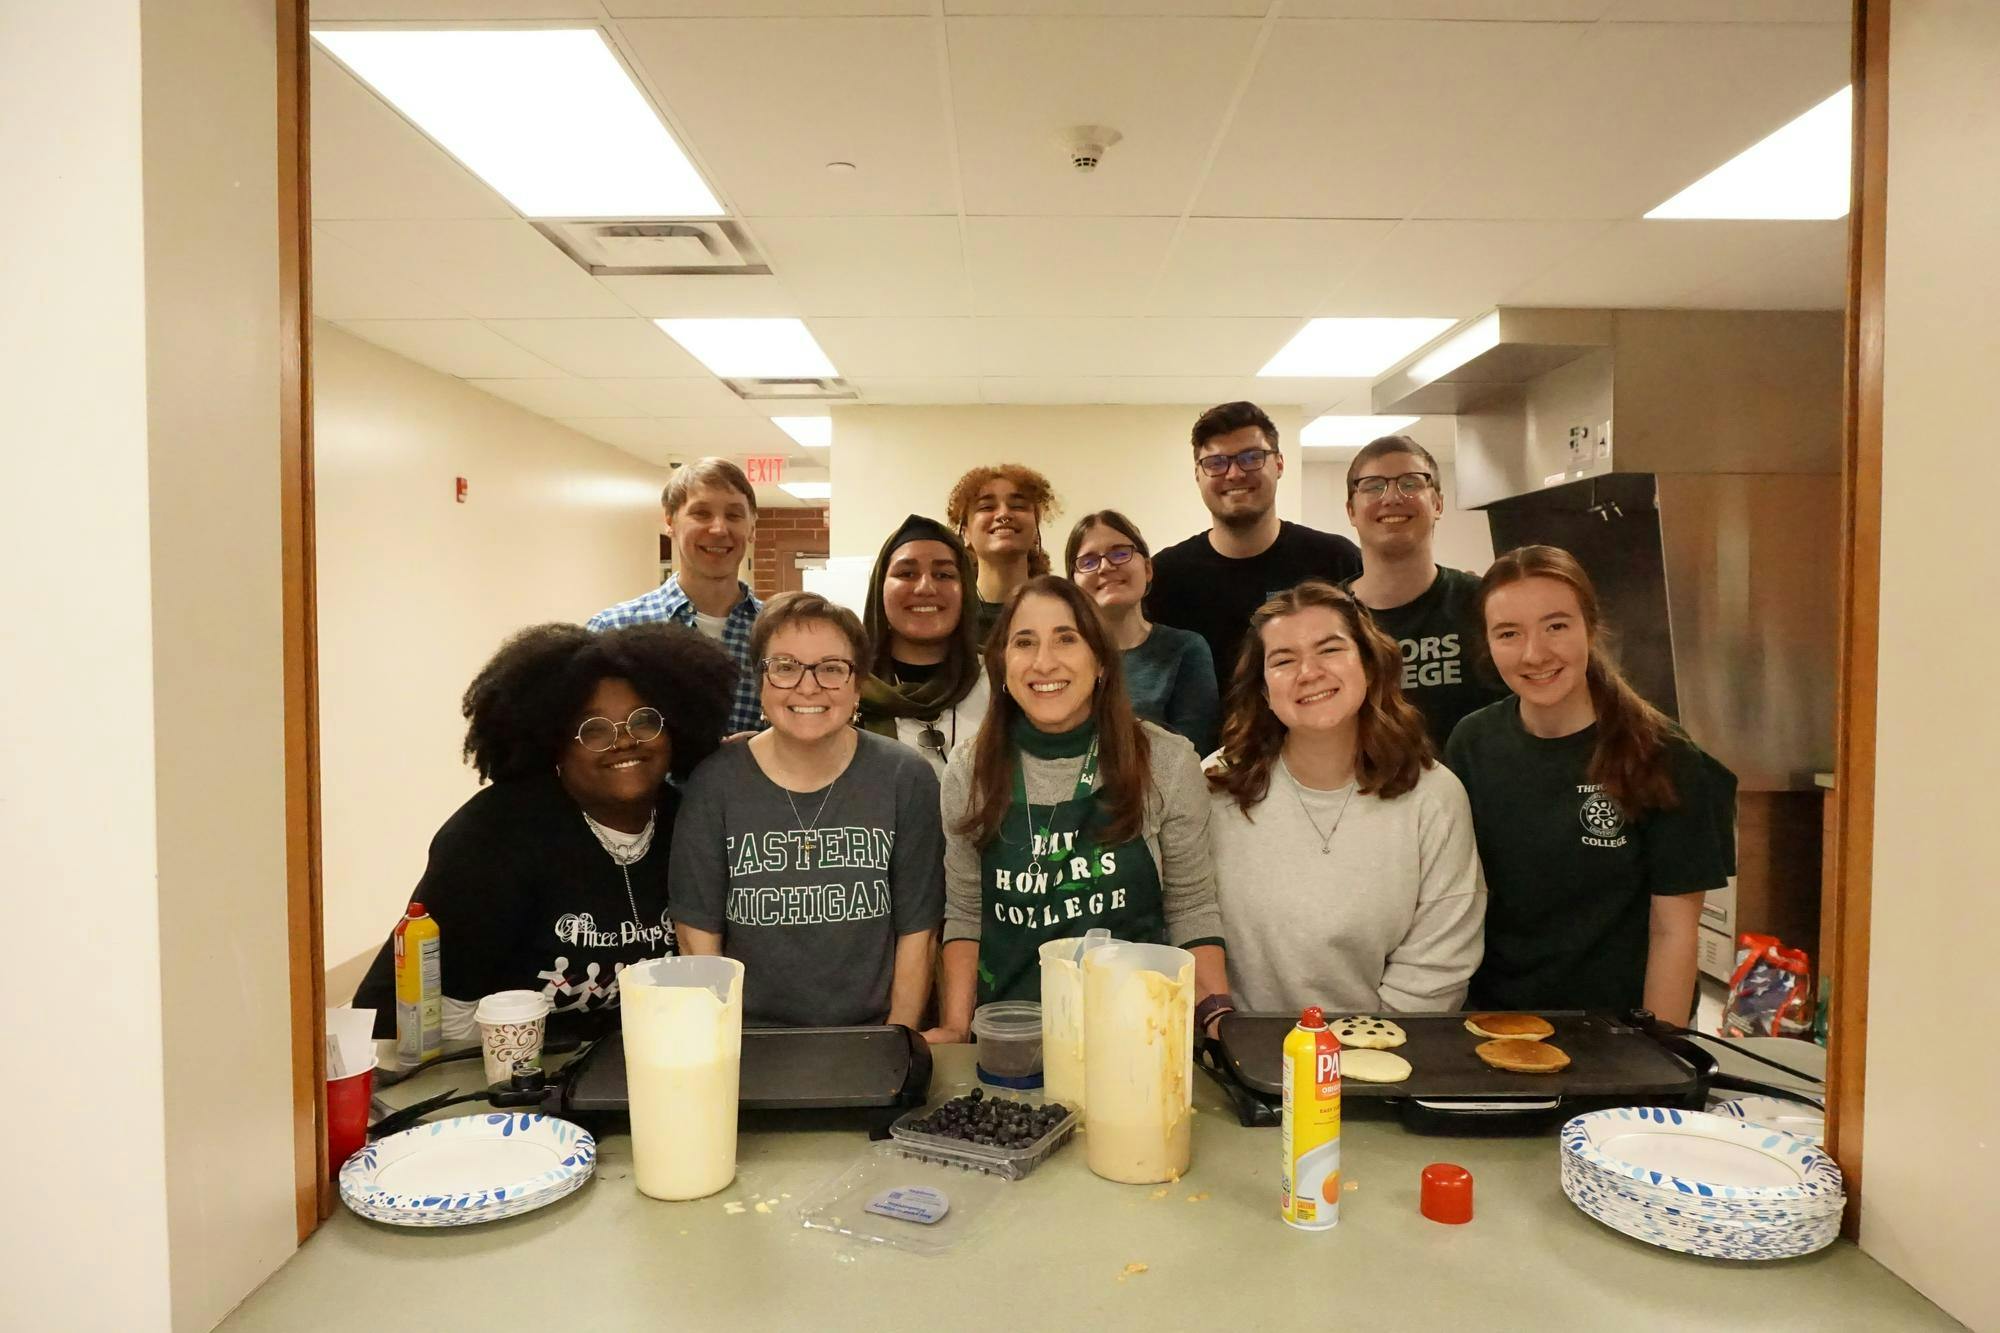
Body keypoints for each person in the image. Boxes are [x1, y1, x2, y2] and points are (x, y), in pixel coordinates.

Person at [353, 623, 734, 1038]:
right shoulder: (494, 835)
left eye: (643, 721)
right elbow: (439, 1008)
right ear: (555, 745)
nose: (624, 741)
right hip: (478, 1055)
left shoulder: (691, 821)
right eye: (594, 730)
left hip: (619, 1059)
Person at [1445, 545, 1737, 1026]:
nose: (1534, 653)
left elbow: (1673, 932)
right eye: (1509, 633)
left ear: (1591, 627)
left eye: (1556, 626)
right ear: (1488, 643)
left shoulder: (1663, 755)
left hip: (1618, 1031)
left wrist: (1656, 1049)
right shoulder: (1471, 743)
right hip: (1495, 1022)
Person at [935, 575, 1232, 1042]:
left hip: (1137, 1037)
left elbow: (1191, 907)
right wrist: (956, 1028)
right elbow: (966, 913)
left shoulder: (1166, 761)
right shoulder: (968, 769)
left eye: (1066, 639)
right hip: (1011, 1037)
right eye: (1024, 642)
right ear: (1002, 666)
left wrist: (1216, 1019)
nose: (1044, 662)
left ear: (1101, 662)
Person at [1206, 581, 1485, 1016]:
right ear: (1263, 690)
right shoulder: (1216, 783)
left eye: (1330, 649)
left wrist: (1364, 1051)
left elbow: (1438, 966)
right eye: (1283, 660)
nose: (1309, 672)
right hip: (1237, 1047)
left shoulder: (1433, 795)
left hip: (1384, 1049)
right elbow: (1186, 924)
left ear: (1369, 664)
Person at [669, 592, 945, 1030]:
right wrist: (723, 1042)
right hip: (749, 1040)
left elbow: (919, 932)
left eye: (831, 668)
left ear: (858, 684)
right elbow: (697, 935)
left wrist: (897, 1042)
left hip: (871, 1035)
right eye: (785, 667)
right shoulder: (715, 783)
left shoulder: (904, 777)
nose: (808, 686)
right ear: (760, 681)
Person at [1146, 401, 1361, 695]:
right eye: (1216, 462)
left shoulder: (1336, 559)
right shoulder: (1165, 577)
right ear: (1198, 474)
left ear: (1279, 464)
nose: (1234, 473)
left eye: (1251, 458)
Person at [1340, 434, 1506, 754]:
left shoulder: (1485, 605)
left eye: (1411, 483)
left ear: (1438, 503)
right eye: (1373, 486)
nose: (1392, 497)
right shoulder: (1327, 619)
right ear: (1351, 511)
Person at [588, 457, 764, 737]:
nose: (719, 529)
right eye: (701, 513)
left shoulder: (777, 634)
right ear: (670, 522)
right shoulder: (611, 631)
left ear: (752, 528)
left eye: (734, 515)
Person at [1064, 510, 1219, 755]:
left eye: (1119, 553)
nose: (1105, 567)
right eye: (1088, 561)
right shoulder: (1060, 657)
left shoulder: (1185, 649)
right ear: (1073, 583)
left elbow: (1192, 754)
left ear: (1147, 568)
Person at [856, 514, 990, 771]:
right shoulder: (847, 685)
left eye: (944, 574)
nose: (925, 588)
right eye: (906, 573)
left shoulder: (999, 678)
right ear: (880, 587)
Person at [945, 462, 1059, 641]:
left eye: (1018, 506)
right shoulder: (949, 615)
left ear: (1035, 529)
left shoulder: (1062, 609)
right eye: (987, 507)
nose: (1004, 514)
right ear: (966, 533)